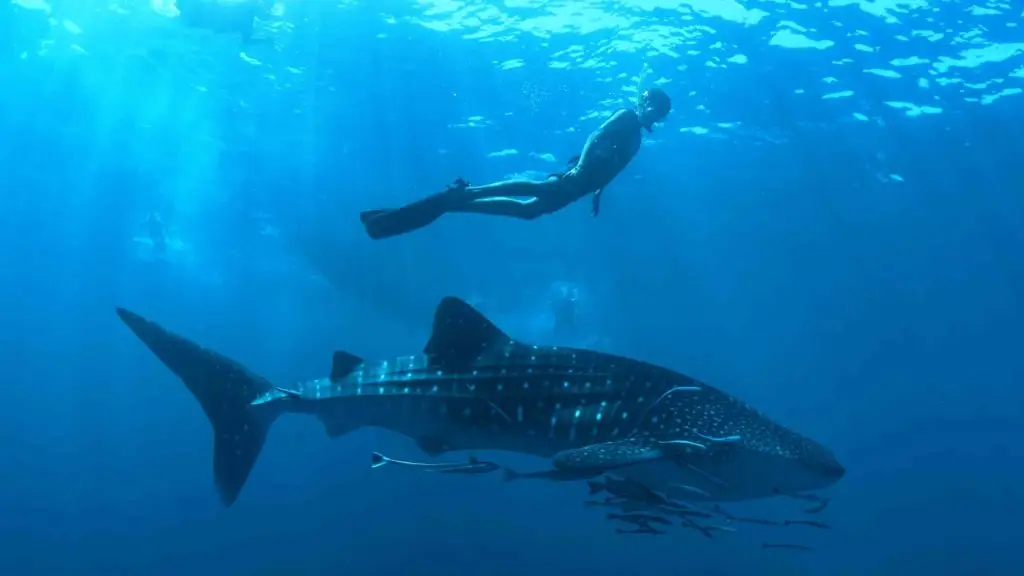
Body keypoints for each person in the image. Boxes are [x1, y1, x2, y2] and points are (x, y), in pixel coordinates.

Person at [359, 88, 672, 240]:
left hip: (583, 186)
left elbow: (615, 168)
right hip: (576, 178)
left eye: (658, 113)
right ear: (646, 104)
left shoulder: (637, 138)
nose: (653, 115)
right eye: (653, 108)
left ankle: (461, 201)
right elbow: (596, 135)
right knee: (535, 189)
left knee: (529, 211)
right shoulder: (627, 117)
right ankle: (468, 194)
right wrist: (582, 169)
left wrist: (599, 192)